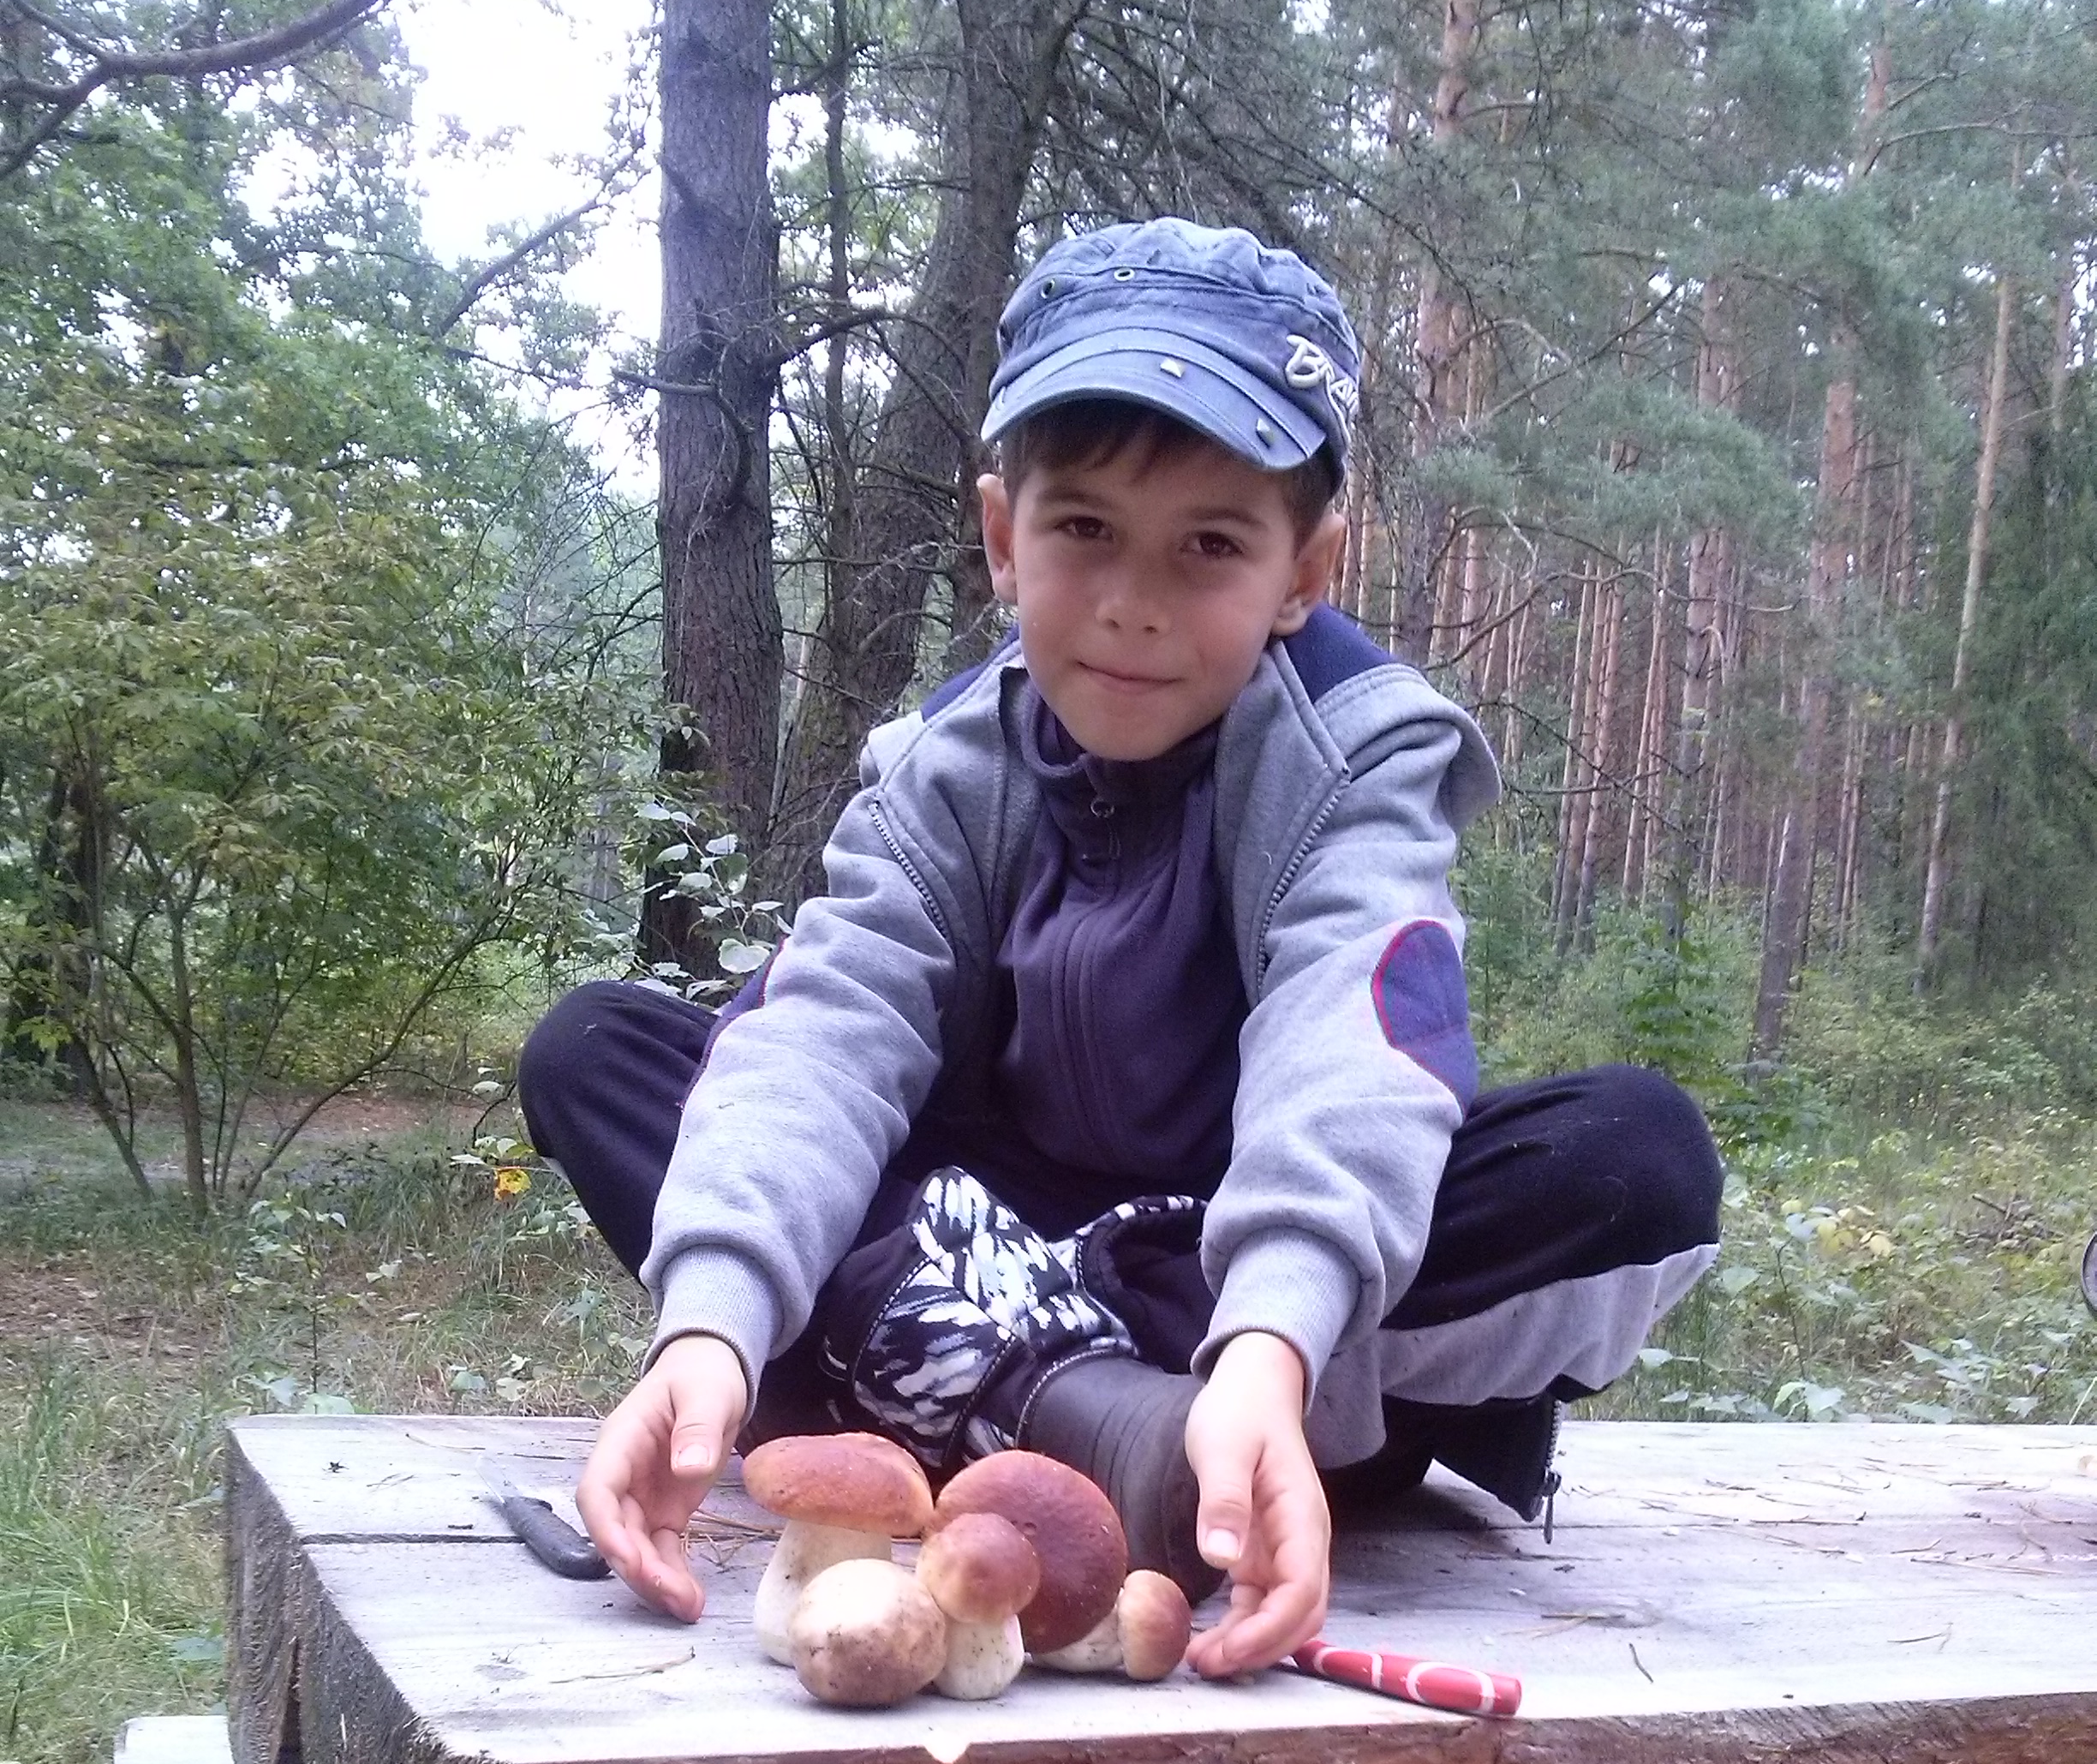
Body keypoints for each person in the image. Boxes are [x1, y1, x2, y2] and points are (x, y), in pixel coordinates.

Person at [524, 219, 1722, 1677]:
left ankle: (1162, 1416)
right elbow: (829, 1032)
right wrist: (707, 1324)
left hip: (1218, 1257)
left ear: (1306, 571)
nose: (1135, 603)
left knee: (1635, 1163)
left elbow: (1358, 1036)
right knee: (607, 1052)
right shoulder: (946, 768)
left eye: (1210, 546)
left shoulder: (1353, 760)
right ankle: (1097, 1417)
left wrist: (1273, 1338)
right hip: (982, 1223)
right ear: (999, 535)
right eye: (1083, 527)